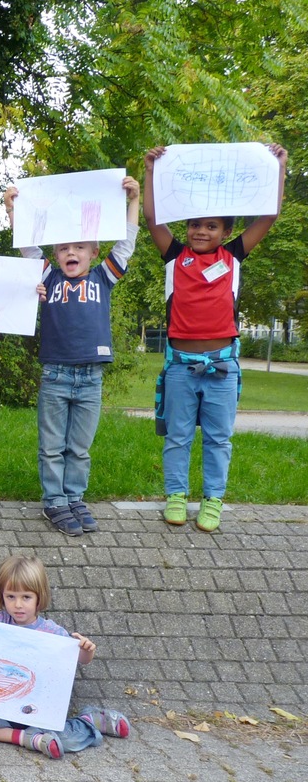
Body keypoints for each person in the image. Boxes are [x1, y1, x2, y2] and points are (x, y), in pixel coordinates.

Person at [143, 143, 288, 532]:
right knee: (177, 438)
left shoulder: (234, 257)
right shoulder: (175, 256)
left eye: (211, 226)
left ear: (226, 232)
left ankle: (212, 500)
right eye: (195, 225)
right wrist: (151, 170)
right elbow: (153, 219)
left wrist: (279, 167)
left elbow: (269, 216)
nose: (201, 231)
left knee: (218, 440)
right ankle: (176, 495)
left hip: (222, 366)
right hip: (180, 369)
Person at [3, 176, 141, 536]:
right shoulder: (48, 279)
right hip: (55, 376)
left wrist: (133, 200)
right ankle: (54, 502)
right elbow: (27, 248)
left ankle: (75, 497)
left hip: (91, 378)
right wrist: (12, 208)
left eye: (79, 247)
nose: (71, 253)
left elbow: (126, 244)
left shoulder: (103, 278)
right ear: (56, 254)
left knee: (79, 448)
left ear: (94, 252)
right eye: (64, 247)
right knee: (52, 447)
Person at [0, 554, 131, 759]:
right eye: (11, 597)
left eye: (26, 597)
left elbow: (80, 659)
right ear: (2, 596)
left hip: (38, 713)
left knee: (67, 740)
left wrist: (87, 650)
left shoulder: (51, 631)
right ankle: (28, 739)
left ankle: (89, 721)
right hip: (1, 710)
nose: (18, 604)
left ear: (39, 598)